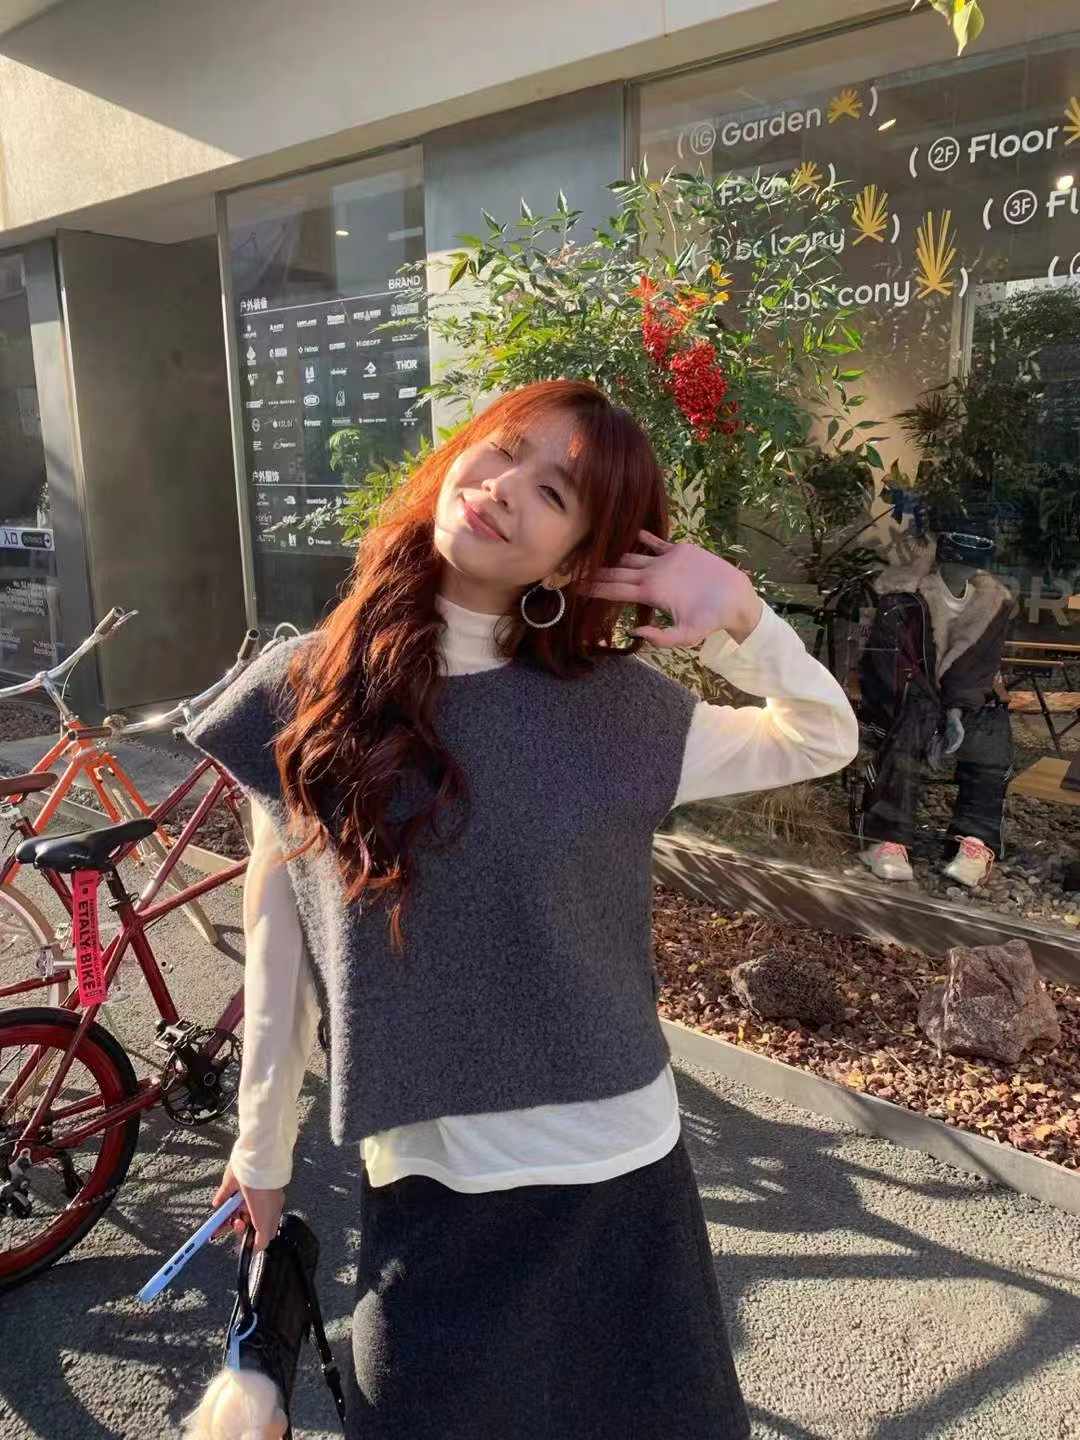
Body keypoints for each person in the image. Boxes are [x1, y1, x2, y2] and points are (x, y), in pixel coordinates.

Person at [186, 378, 858, 1440]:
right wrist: (260, 1147)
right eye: (504, 450)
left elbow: (821, 735)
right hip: (432, 1183)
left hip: (620, 1174)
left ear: (576, 560)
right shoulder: (306, 692)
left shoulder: (617, 708)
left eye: (554, 494)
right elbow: (283, 938)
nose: (504, 489)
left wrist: (736, 611)